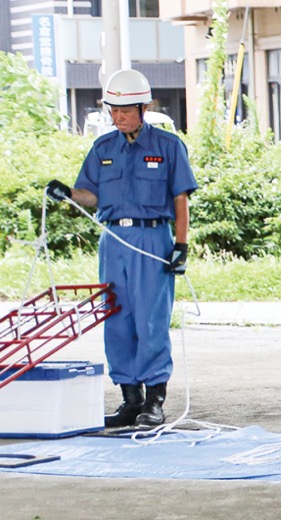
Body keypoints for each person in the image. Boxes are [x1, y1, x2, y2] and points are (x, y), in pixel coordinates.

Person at [45, 69, 198, 429]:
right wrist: (68, 193)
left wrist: (181, 244)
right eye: (113, 110)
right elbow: (90, 195)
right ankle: (130, 400)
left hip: (152, 240)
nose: (118, 117)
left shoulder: (168, 146)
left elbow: (181, 198)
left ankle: (154, 401)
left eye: (125, 111)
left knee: (150, 320)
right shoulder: (103, 148)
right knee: (116, 318)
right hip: (113, 240)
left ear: (144, 108)